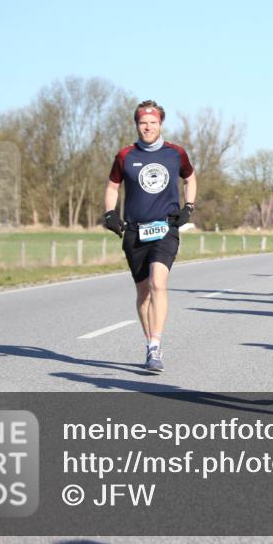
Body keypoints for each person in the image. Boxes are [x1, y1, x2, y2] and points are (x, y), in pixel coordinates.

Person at [103, 100, 196, 373]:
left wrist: (188, 207)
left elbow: (190, 178)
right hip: (135, 231)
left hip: (165, 228)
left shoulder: (175, 153)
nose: (148, 127)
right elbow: (112, 186)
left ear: (160, 124)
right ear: (137, 125)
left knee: (158, 282)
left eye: (153, 122)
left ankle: (156, 345)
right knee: (143, 294)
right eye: (143, 123)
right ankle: (149, 343)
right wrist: (110, 213)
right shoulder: (125, 155)